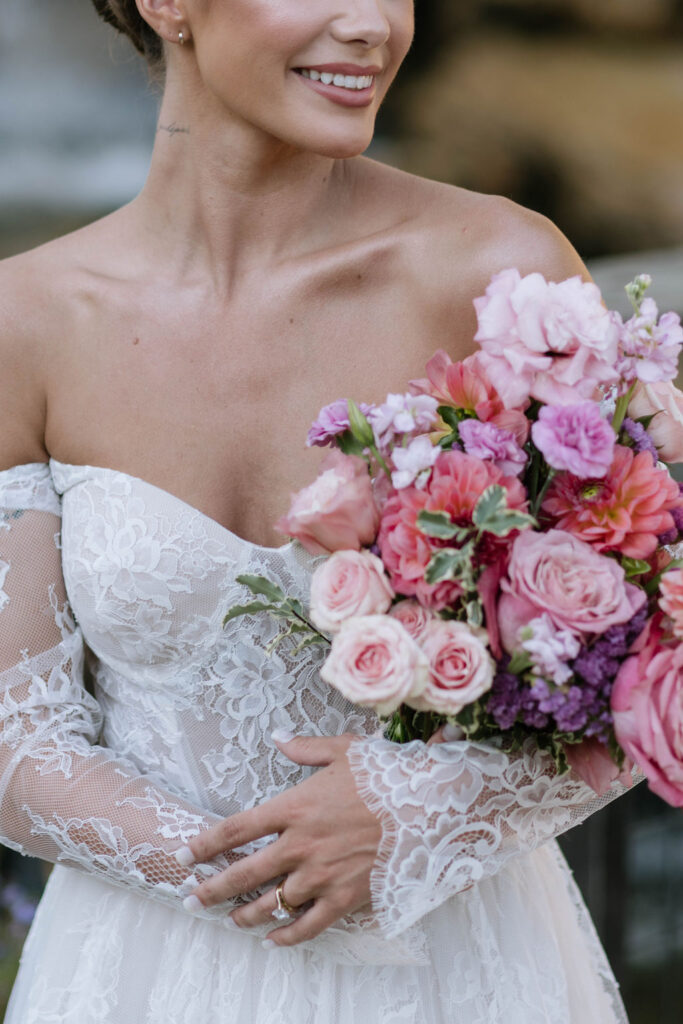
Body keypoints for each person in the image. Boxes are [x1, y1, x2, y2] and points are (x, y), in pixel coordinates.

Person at [0, 2, 634, 1021]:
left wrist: (421, 811)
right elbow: (16, 742)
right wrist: (260, 870)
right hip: (139, 974)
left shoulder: (495, 276)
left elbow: (650, 648)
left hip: (456, 962)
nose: (369, 24)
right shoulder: (24, 322)